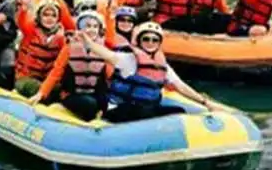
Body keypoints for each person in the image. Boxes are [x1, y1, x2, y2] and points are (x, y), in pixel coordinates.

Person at [76, 22, 212, 123]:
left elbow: (180, 86)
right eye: (146, 39)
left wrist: (204, 102)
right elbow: (106, 54)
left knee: (178, 112)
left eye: (155, 40)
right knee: (143, 111)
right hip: (119, 108)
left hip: (146, 109)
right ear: (140, 41)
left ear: (159, 43)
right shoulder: (128, 59)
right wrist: (88, 42)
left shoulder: (163, 66)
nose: (150, 42)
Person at [28, 11, 111, 122]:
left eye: (95, 27)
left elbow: (108, 74)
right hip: (71, 94)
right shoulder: (69, 48)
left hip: (93, 93)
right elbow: (56, 72)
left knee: (104, 100)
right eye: (88, 26)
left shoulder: (103, 48)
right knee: (90, 103)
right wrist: (41, 93)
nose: (92, 30)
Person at [13, 0, 75, 97]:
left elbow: (64, 11)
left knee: (60, 89)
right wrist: (25, 7)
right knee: (35, 87)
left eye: (53, 16)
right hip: (25, 78)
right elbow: (21, 20)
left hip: (46, 79)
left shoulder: (61, 37)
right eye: (46, 15)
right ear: (39, 17)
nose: (49, 18)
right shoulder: (31, 30)